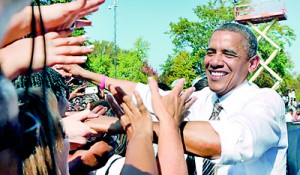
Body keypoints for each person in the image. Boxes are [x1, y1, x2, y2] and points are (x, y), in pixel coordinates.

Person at [58, 22, 287, 175]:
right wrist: (85, 74)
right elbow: (145, 92)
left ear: (253, 63)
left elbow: (224, 142)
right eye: (210, 52)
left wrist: (130, 127)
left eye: (228, 54)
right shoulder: (201, 98)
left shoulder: (266, 101)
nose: (215, 61)